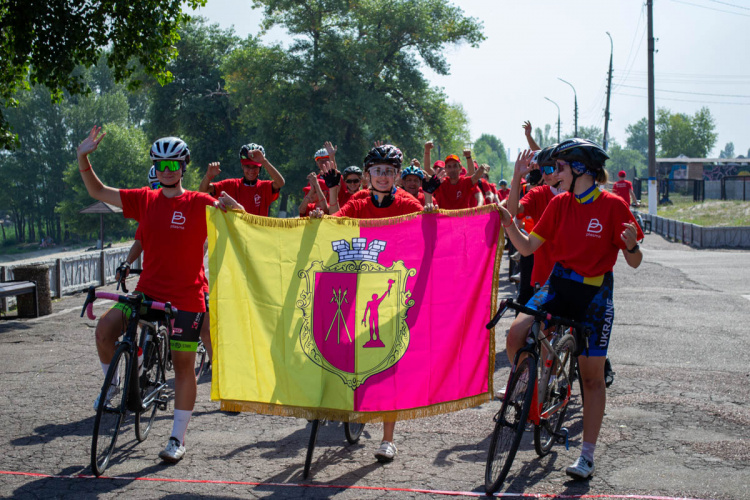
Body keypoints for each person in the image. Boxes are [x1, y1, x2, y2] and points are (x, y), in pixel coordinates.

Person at [77, 126, 241, 464]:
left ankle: (177, 439)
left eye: (173, 165)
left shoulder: (199, 202)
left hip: (186, 299)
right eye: (161, 165)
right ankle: (114, 384)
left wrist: (235, 207)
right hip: (148, 292)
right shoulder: (144, 199)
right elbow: (98, 190)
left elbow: (240, 225)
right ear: (156, 168)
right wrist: (83, 157)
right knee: (105, 330)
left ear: (183, 167)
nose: (167, 171)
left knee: (183, 367)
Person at [499, 139, 643, 481]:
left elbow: (635, 262)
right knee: (515, 334)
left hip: (593, 292)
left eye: (559, 167)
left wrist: (632, 245)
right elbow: (528, 246)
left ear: (580, 169)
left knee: (592, 378)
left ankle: (587, 456)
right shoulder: (559, 203)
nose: (552, 174)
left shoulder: (613, 205)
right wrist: (509, 224)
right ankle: (534, 384)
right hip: (558, 282)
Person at [313, 145, 431, 462]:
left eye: (389, 171)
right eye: (377, 171)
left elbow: (425, 237)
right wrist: (321, 214)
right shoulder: (360, 201)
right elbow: (337, 221)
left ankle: (388, 439)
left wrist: (431, 210)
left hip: (392, 291)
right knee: (347, 347)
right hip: (358, 285)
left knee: (388, 361)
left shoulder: (409, 203)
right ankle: (349, 399)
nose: (383, 177)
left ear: (397, 175)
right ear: (368, 175)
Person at [199, 143, 284, 217]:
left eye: (255, 167)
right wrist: (208, 176)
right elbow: (203, 190)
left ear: (260, 167)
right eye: (247, 166)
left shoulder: (264, 187)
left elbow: (280, 183)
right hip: (236, 235)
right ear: (242, 166)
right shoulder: (231, 184)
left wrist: (264, 161)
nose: (251, 171)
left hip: (257, 235)